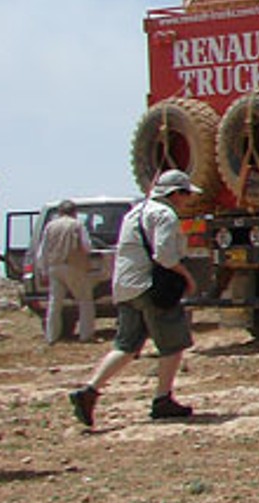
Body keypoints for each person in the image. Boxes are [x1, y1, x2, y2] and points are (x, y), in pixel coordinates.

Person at [69, 170, 202, 427]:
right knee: (173, 344)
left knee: (126, 346)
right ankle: (163, 398)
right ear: (175, 194)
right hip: (150, 288)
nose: (188, 200)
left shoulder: (134, 212)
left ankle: (90, 391)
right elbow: (164, 256)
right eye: (185, 194)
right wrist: (187, 277)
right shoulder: (165, 215)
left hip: (126, 287)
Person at [38, 200, 97, 344]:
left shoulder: (50, 226)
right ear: (74, 212)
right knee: (85, 300)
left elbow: (42, 251)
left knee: (54, 303)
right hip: (73, 265)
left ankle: (52, 337)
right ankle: (86, 335)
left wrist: (43, 270)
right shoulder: (77, 225)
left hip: (54, 266)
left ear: (59, 212)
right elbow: (87, 246)